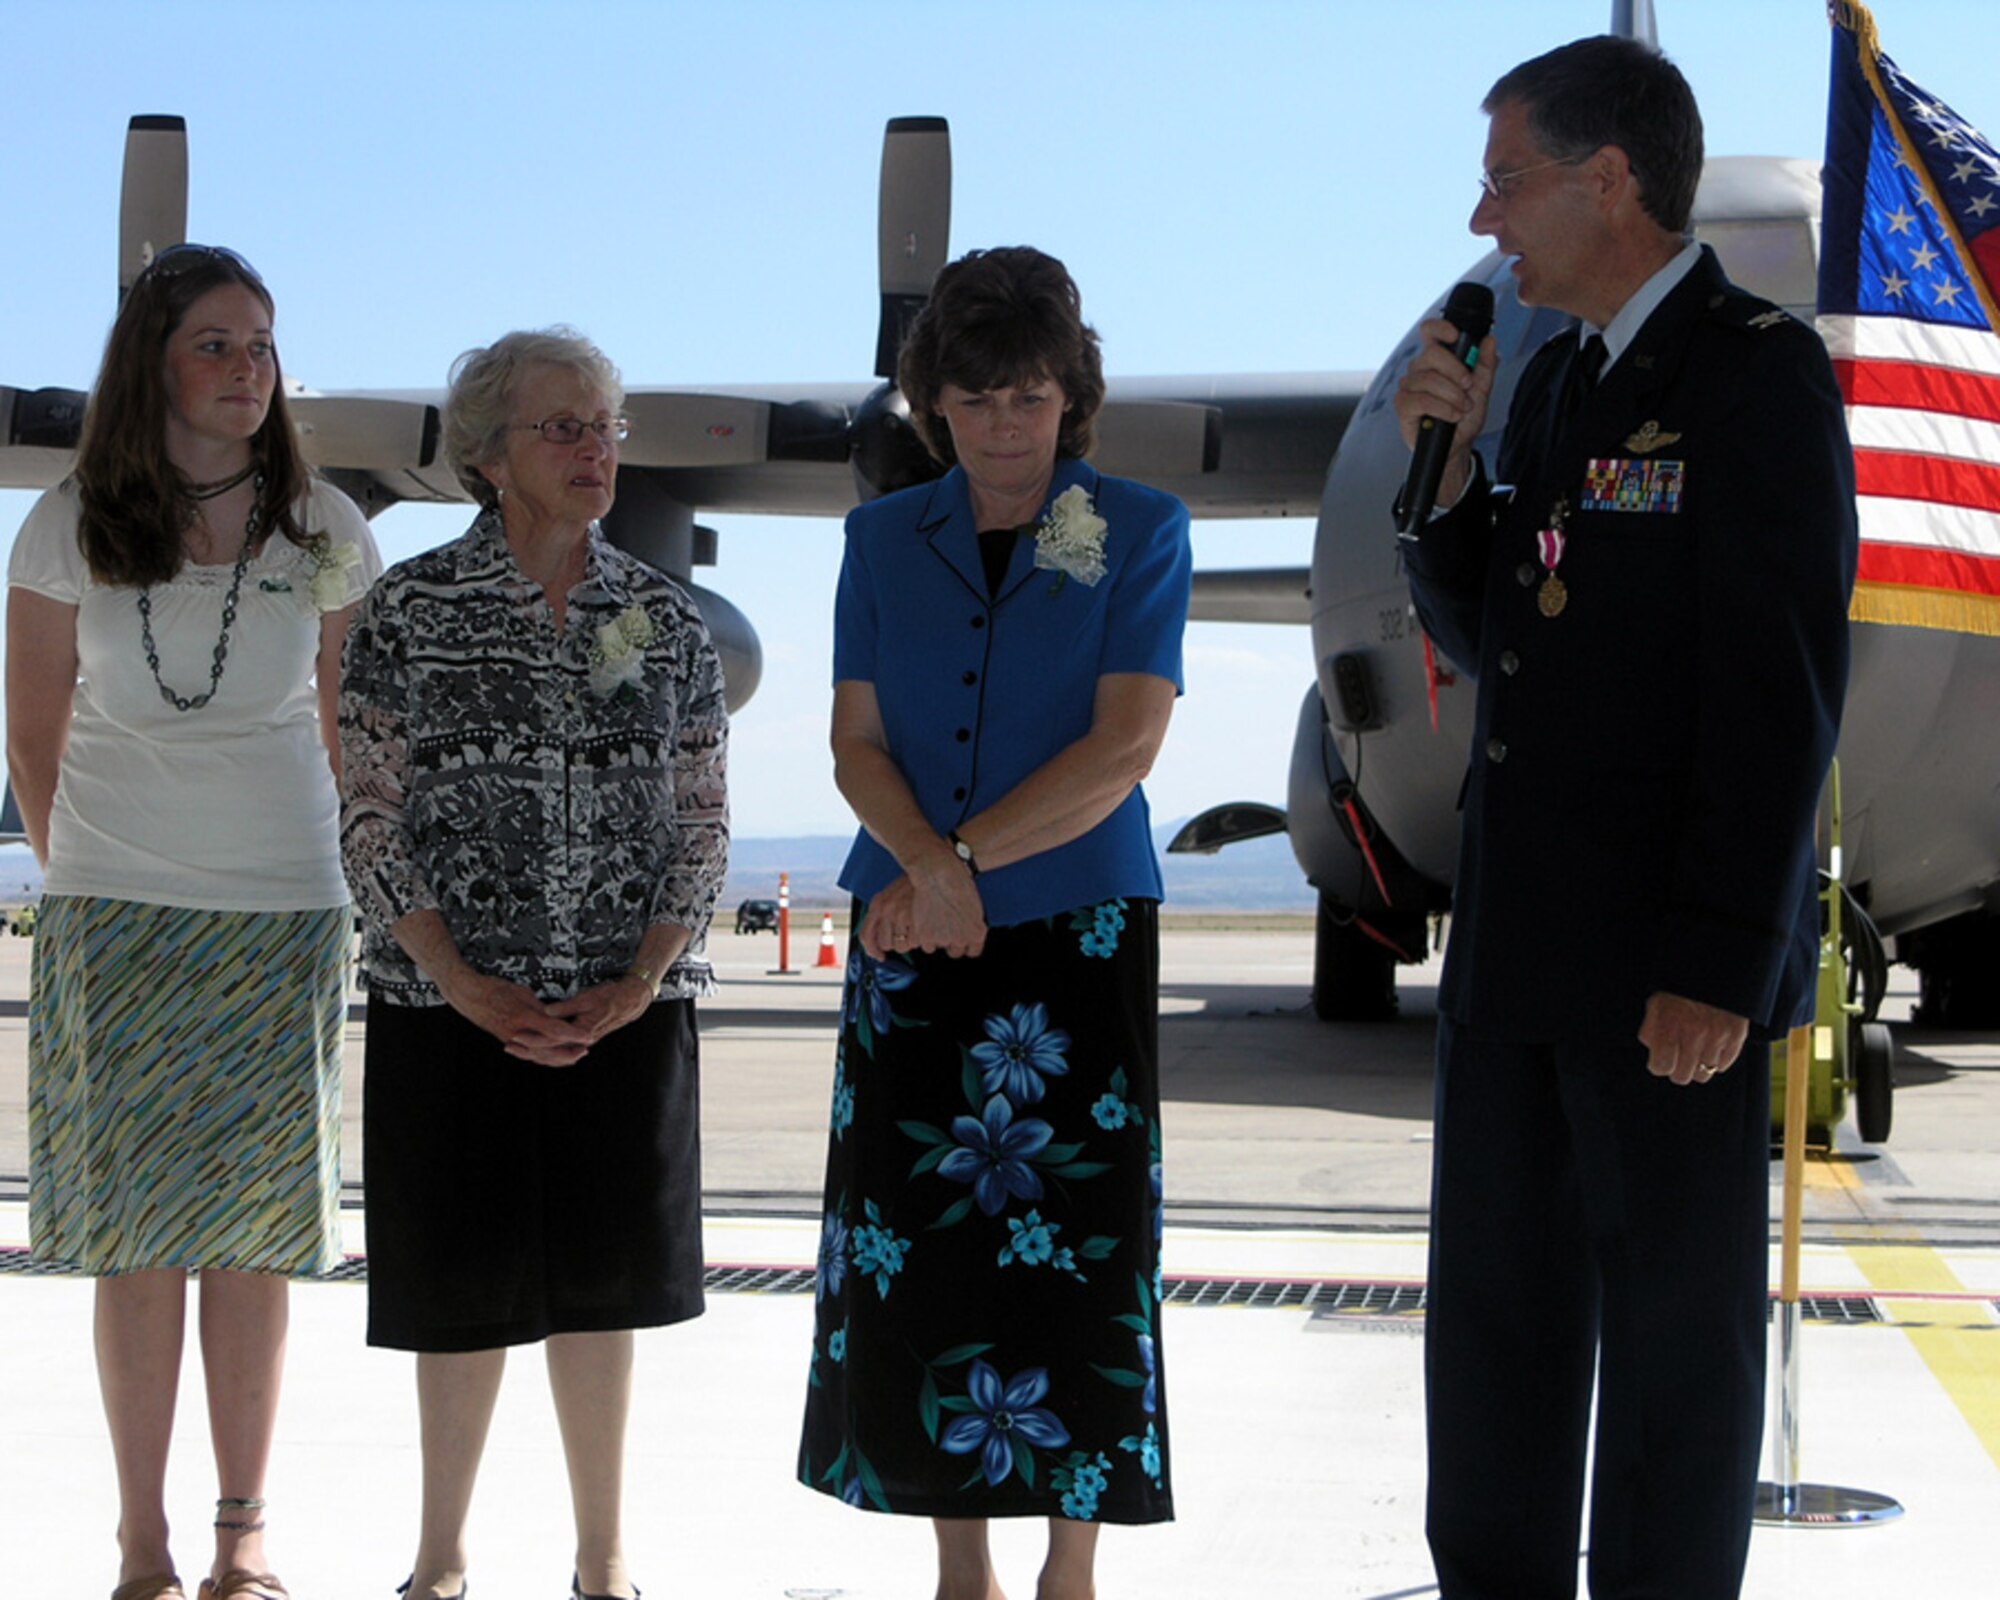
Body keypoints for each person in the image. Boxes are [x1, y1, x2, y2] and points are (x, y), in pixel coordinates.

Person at [1391, 36, 1857, 1600]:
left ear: (1607, 179)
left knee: (1673, 1360)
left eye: (1505, 177)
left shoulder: (1751, 373)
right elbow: (1502, 646)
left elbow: (1776, 687)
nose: (1483, 220)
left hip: (1666, 977)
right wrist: (1446, 487)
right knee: (1499, 1346)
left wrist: (1727, 958)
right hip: (1521, 961)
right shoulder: (1561, 385)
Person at [796, 247, 1192, 1600]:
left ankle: (1068, 1569)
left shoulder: (1139, 526)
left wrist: (959, 859)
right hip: (913, 929)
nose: (1007, 424)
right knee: (925, 1259)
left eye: (1030, 395)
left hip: (1071, 932)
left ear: (1069, 396)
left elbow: (1124, 747)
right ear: (935, 410)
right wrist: (930, 866)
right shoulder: (873, 542)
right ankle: (959, 1565)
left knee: (1079, 1256)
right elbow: (853, 741)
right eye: (977, 399)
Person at [5, 244, 382, 1600]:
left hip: (282, 914)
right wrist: (103, 878)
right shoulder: (63, 525)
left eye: (261, 345)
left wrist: (349, 889)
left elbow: (357, 734)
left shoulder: (326, 527)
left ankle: (241, 1535)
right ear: (155, 365)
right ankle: (141, 1541)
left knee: (256, 1233)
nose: (247, 369)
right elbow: (34, 739)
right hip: (116, 918)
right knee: (139, 1239)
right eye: (217, 343)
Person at [338, 328, 727, 1600]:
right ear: (491, 455)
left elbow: (703, 821)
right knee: (456, 1290)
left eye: (606, 424)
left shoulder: (665, 620)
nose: (594, 448)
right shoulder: (411, 607)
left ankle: (602, 1558)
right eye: (562, 426)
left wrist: (640, 977)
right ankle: (439, 1557)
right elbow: (369, 810)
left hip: (621, 1008)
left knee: (603, 1290)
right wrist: (456, 979)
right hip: (449, 1009)